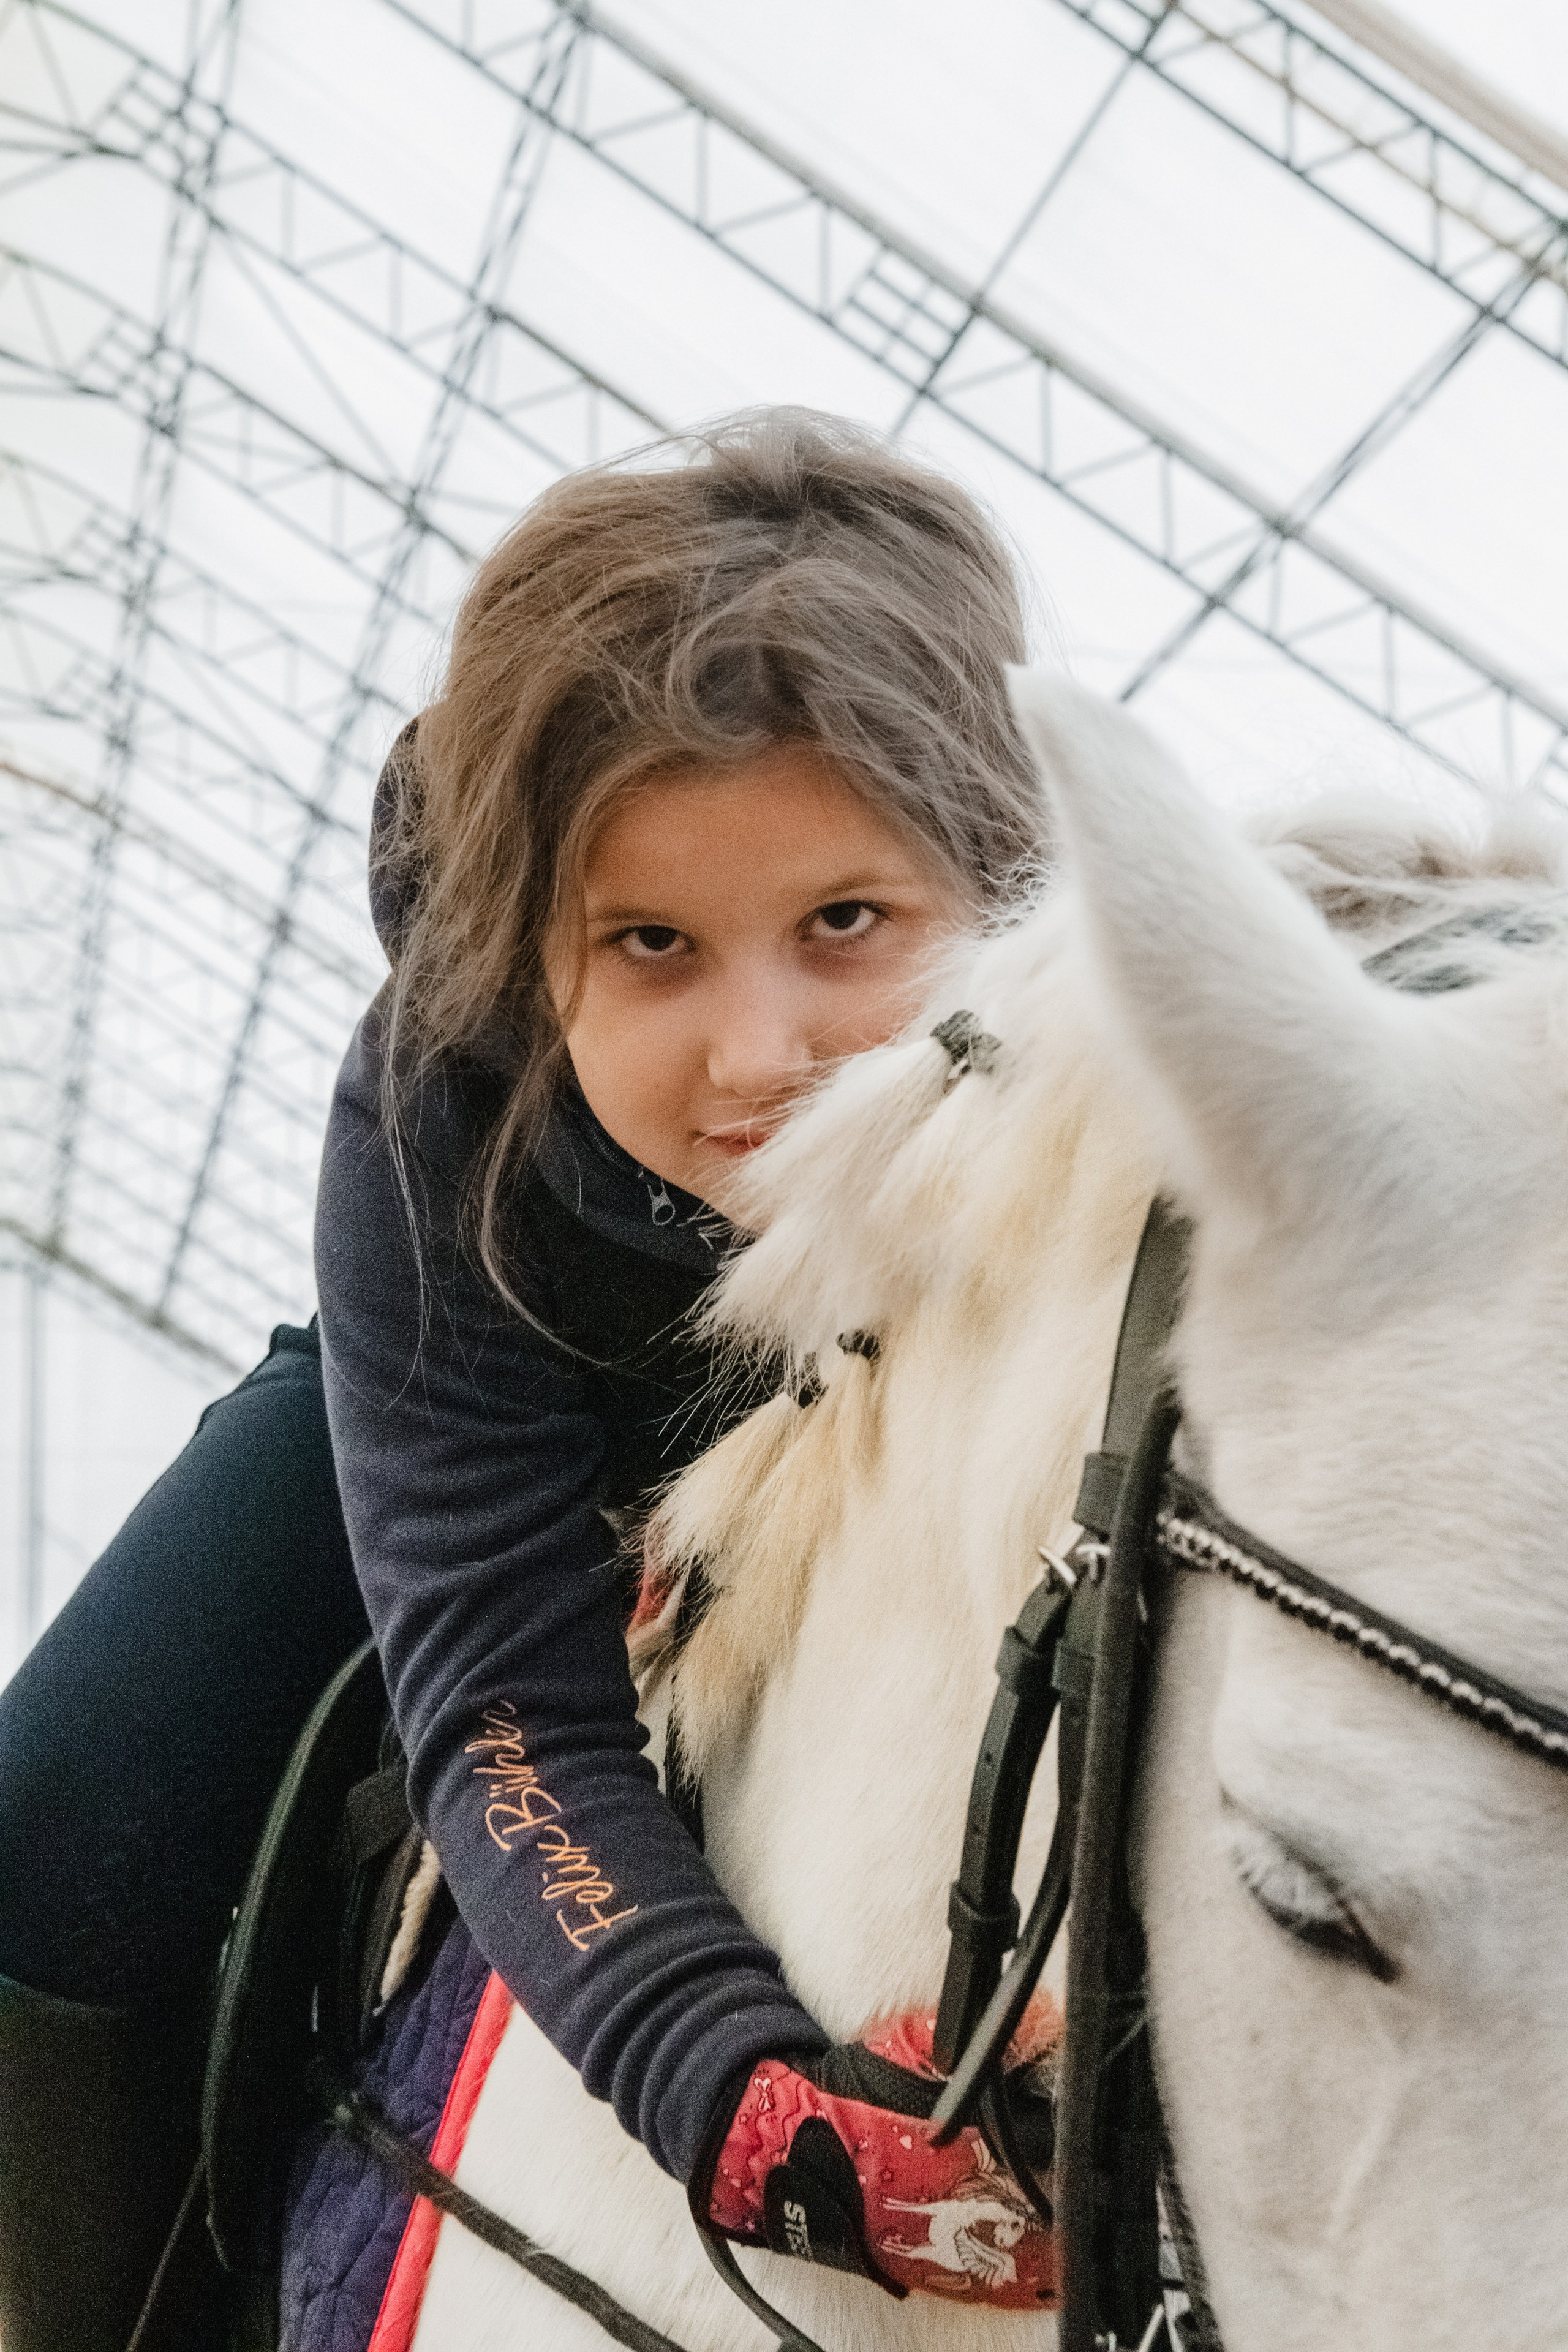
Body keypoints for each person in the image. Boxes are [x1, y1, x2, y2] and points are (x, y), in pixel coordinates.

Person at [0, 408, 1051, 2352]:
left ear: (999, 885)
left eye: (845, 924)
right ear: (530, 965)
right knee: (52, 1822)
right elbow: (506, 1702)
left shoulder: (1096, 1092)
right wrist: (729, 2095)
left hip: (901, 1419)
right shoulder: (437, 1093)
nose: (766, 1054)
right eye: (651, 945)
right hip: (503, 1433)